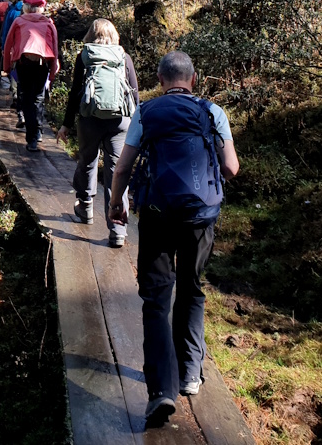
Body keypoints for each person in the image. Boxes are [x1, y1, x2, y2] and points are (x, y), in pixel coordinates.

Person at [108, 51, 240, 428]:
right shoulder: (212, 112)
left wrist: (116, 204)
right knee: (191, 288)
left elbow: (123, 167)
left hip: (157, 214)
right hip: (200, 216)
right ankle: (190, 374)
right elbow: (231, 168)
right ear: (194, 79)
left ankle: (161, 391)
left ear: (160, 79)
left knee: (155, 299)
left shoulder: (146, 112)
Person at [55, 19, 138, 246]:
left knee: (88, 161)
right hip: (120, 121)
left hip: (90, 119)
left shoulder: (84, 56)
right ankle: (118, 229)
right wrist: (137, 125)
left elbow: (75, 92)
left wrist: (66, 124)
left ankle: (85, 207)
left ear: (91, 35)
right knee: (116, 171)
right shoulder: (124, 57)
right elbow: (134, 93)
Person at [1, 0, 60, 151]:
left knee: (27, 99)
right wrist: (52, 72)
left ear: (25, 8)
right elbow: (55, 49)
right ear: (41, 8)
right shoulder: (49, 23)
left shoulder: (19, 21)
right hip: (42, 64)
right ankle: (38, 131)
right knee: (38, 98)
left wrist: (7, 67)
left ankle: (32, 138)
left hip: (24, 64)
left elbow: (8, 45)